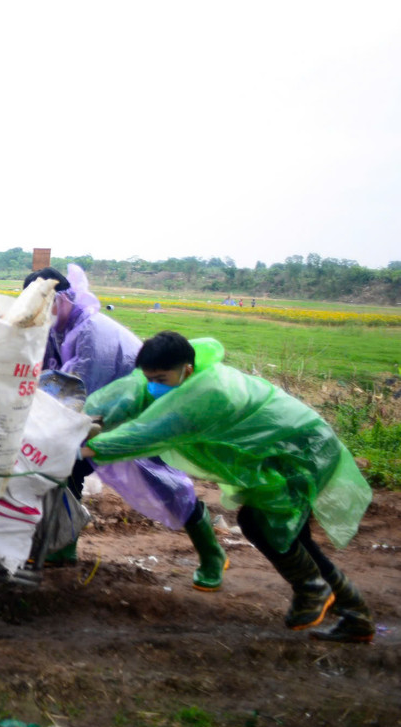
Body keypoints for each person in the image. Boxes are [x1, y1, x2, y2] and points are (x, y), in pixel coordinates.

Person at [82, 331, 374, 643]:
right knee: (291, 536)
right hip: (280, 448)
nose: (153, 384)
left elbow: (146, 434)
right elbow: (134, 394)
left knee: (262, 524)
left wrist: (82, 448)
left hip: (302, 451)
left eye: (160, 378)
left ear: (186, 370)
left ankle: (313, 589)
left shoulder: (207, 395)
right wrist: (88, 419)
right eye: (149, 376)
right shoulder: (177, 377)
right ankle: (355, 614)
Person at [24, 267, 225, 590]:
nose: (37, 313)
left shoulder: (92, 331)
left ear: (61, 299)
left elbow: (85, 390)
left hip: (138, 413)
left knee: (161, 483)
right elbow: (46, 373)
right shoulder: (57, 328)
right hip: (99, 415)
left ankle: (212, 553)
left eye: (41, 304)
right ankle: (62, 546)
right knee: (68, 468)